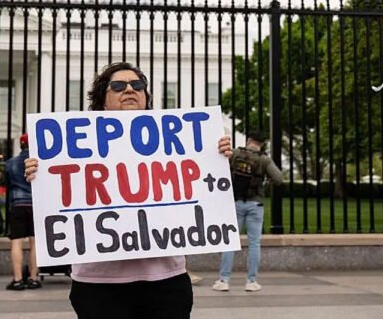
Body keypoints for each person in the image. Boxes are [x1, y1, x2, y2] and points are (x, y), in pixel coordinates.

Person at [24, 61, 234, 319]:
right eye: (118, 86)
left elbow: (203, 190)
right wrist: (40, 173)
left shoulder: (180, 143)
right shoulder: (72, 147)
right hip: (98, 285)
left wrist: (216, 157)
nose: (129, 90)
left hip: (165, 280)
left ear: (146, 96)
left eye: (137, 85)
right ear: (103, 100)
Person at [212, 131, 283, 292]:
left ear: (249, 140)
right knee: (254, 243)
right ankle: (251, 281)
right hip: (255, 204)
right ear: (262, 143)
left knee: (230, 242)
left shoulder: (235, 154)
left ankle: (224, 280)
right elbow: (279, 178)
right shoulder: (263, 159)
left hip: (234, 203)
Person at [3, 133, 41, 291]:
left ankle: (18, 279)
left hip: (17, 204)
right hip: (35, 204)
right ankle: (33, 278)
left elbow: (7, 184)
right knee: (35, 243)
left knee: (16, 242)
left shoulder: (10, 163)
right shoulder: (38, 163)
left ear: (21, 145)